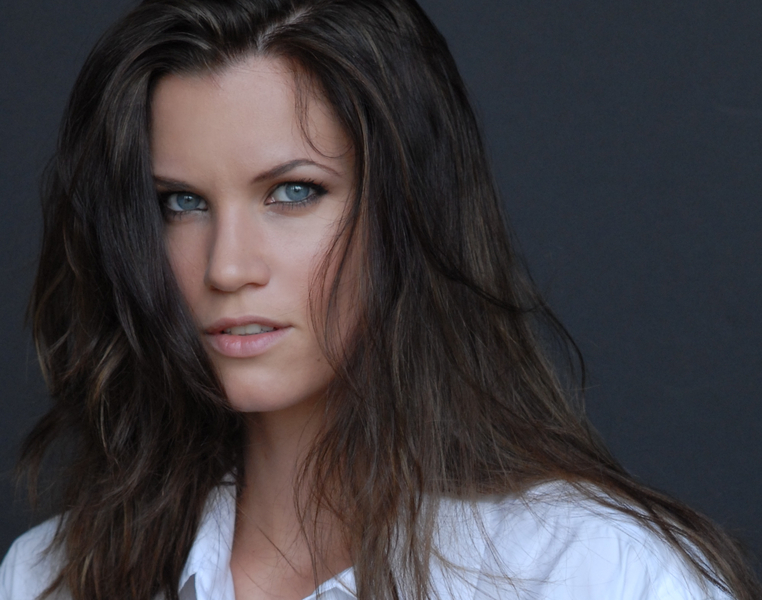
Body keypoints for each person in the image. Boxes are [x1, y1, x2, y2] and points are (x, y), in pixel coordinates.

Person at [0, 0, 759, 599]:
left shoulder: (590, 572)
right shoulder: (50, 578)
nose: (226, 267)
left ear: (408, 212)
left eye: (293, 192)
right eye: (181, 203)